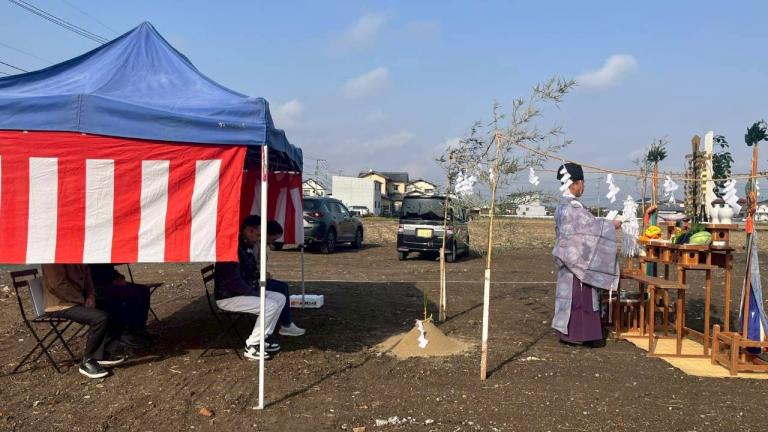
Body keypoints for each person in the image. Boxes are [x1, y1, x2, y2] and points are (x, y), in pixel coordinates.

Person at [551, 163, 622, 347]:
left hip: (567, 259)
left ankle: (567, 333)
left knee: (569, 298)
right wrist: (611, 225)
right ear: (574, 184)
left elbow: (585, 227)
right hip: (578, 263)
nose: (583, 186)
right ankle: (581, 335)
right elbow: (591, 228)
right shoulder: (574, 208)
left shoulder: (561, 206)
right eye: (582, 182)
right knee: (580, 298)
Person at [214, 215, 285, 360]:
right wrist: (254, 293)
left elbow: (249, 272)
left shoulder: (246, 246)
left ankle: (263, 337)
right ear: (249, 230)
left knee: (280, 298)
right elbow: (234, 282)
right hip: (228, 297)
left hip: (241, 292)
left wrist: (259, 278)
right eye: (258, 234)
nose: (260, 238)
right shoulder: (233, 249)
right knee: (269, 305)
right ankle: (252, 345)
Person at [41, 264, 124, 378]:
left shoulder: (78, 256)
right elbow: (58, 284)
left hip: (77, 301)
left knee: (114, 306)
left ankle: (103, 354)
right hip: (59, 305)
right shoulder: (53, 259)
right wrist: (81, 300)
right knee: (99, 317)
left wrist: (91, 296)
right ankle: (88, 361)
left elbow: (87, 278)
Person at [89, 264, 153, 346]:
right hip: (95, 287)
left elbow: (108, 268)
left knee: (143, 290)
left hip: (110, 281)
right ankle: (124, 333)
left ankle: (139, 328)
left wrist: (118, 277)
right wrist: (112, 280)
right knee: (123, 297)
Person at [263, 220, 306, 337]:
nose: (274, 242)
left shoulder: (263, 246)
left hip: (256, 279)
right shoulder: (255, 246)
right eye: (273, 239)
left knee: (282, 287)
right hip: (253, 282)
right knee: (281, 288)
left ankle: (286, 323)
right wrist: (262, 274)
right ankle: (286, 324)